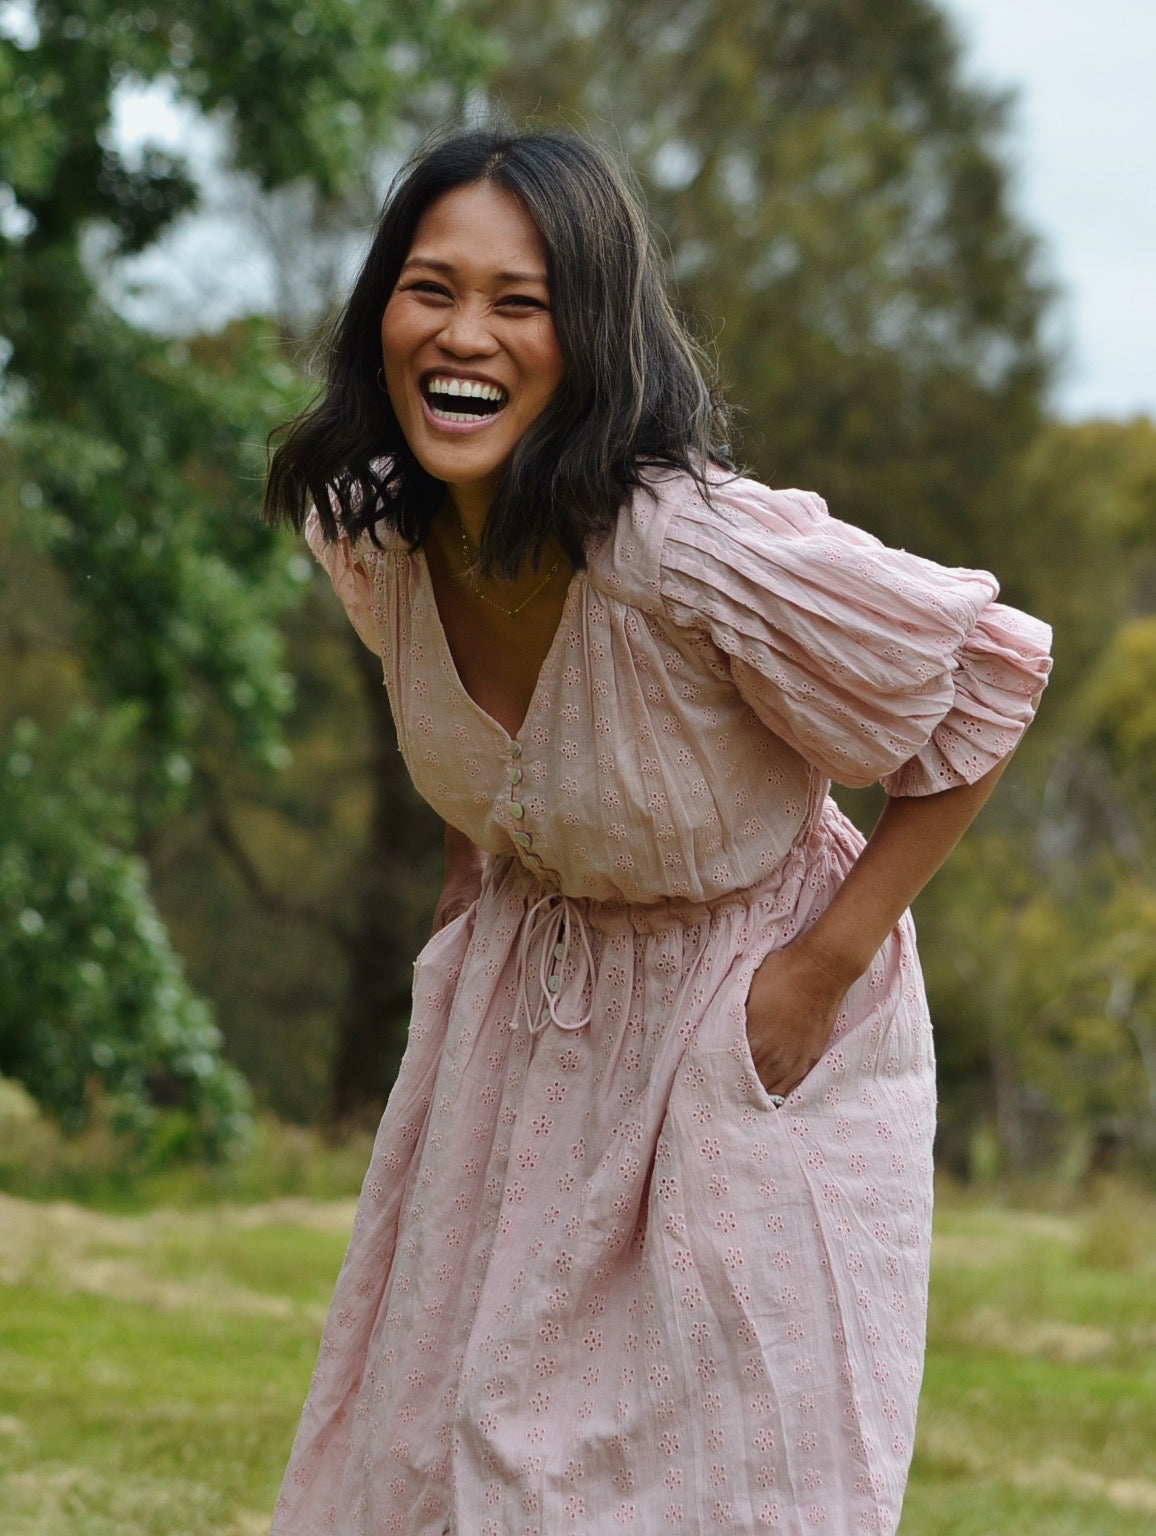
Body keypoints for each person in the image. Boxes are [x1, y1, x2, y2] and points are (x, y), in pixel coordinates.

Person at [262, 126, 1051, 1536]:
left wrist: (820, 970)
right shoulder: (376, 534)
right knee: (463, 1462)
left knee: (715, 1478)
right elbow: (499, 773)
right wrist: (475, 909)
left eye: (522, 302)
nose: (466, 334)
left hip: (740, 1017)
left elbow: (986, 678)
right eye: (430, 287)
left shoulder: (690, 552)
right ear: (379, 306)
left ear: (596, 334)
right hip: (519, 1037)